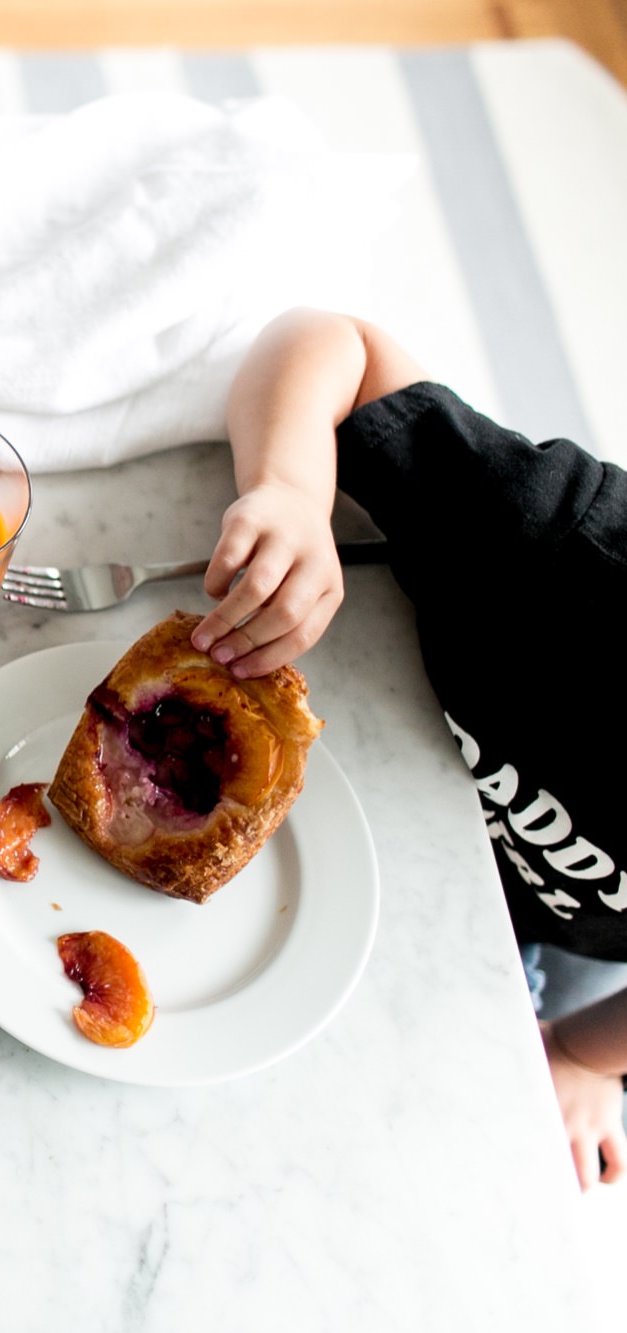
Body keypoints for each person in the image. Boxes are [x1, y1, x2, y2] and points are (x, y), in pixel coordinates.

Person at [199, 307, 627, 1191]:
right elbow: (333, 346)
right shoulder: (564, 549)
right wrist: (290, 493)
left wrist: (585, 1058)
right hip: (366, 724)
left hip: (529, 933)